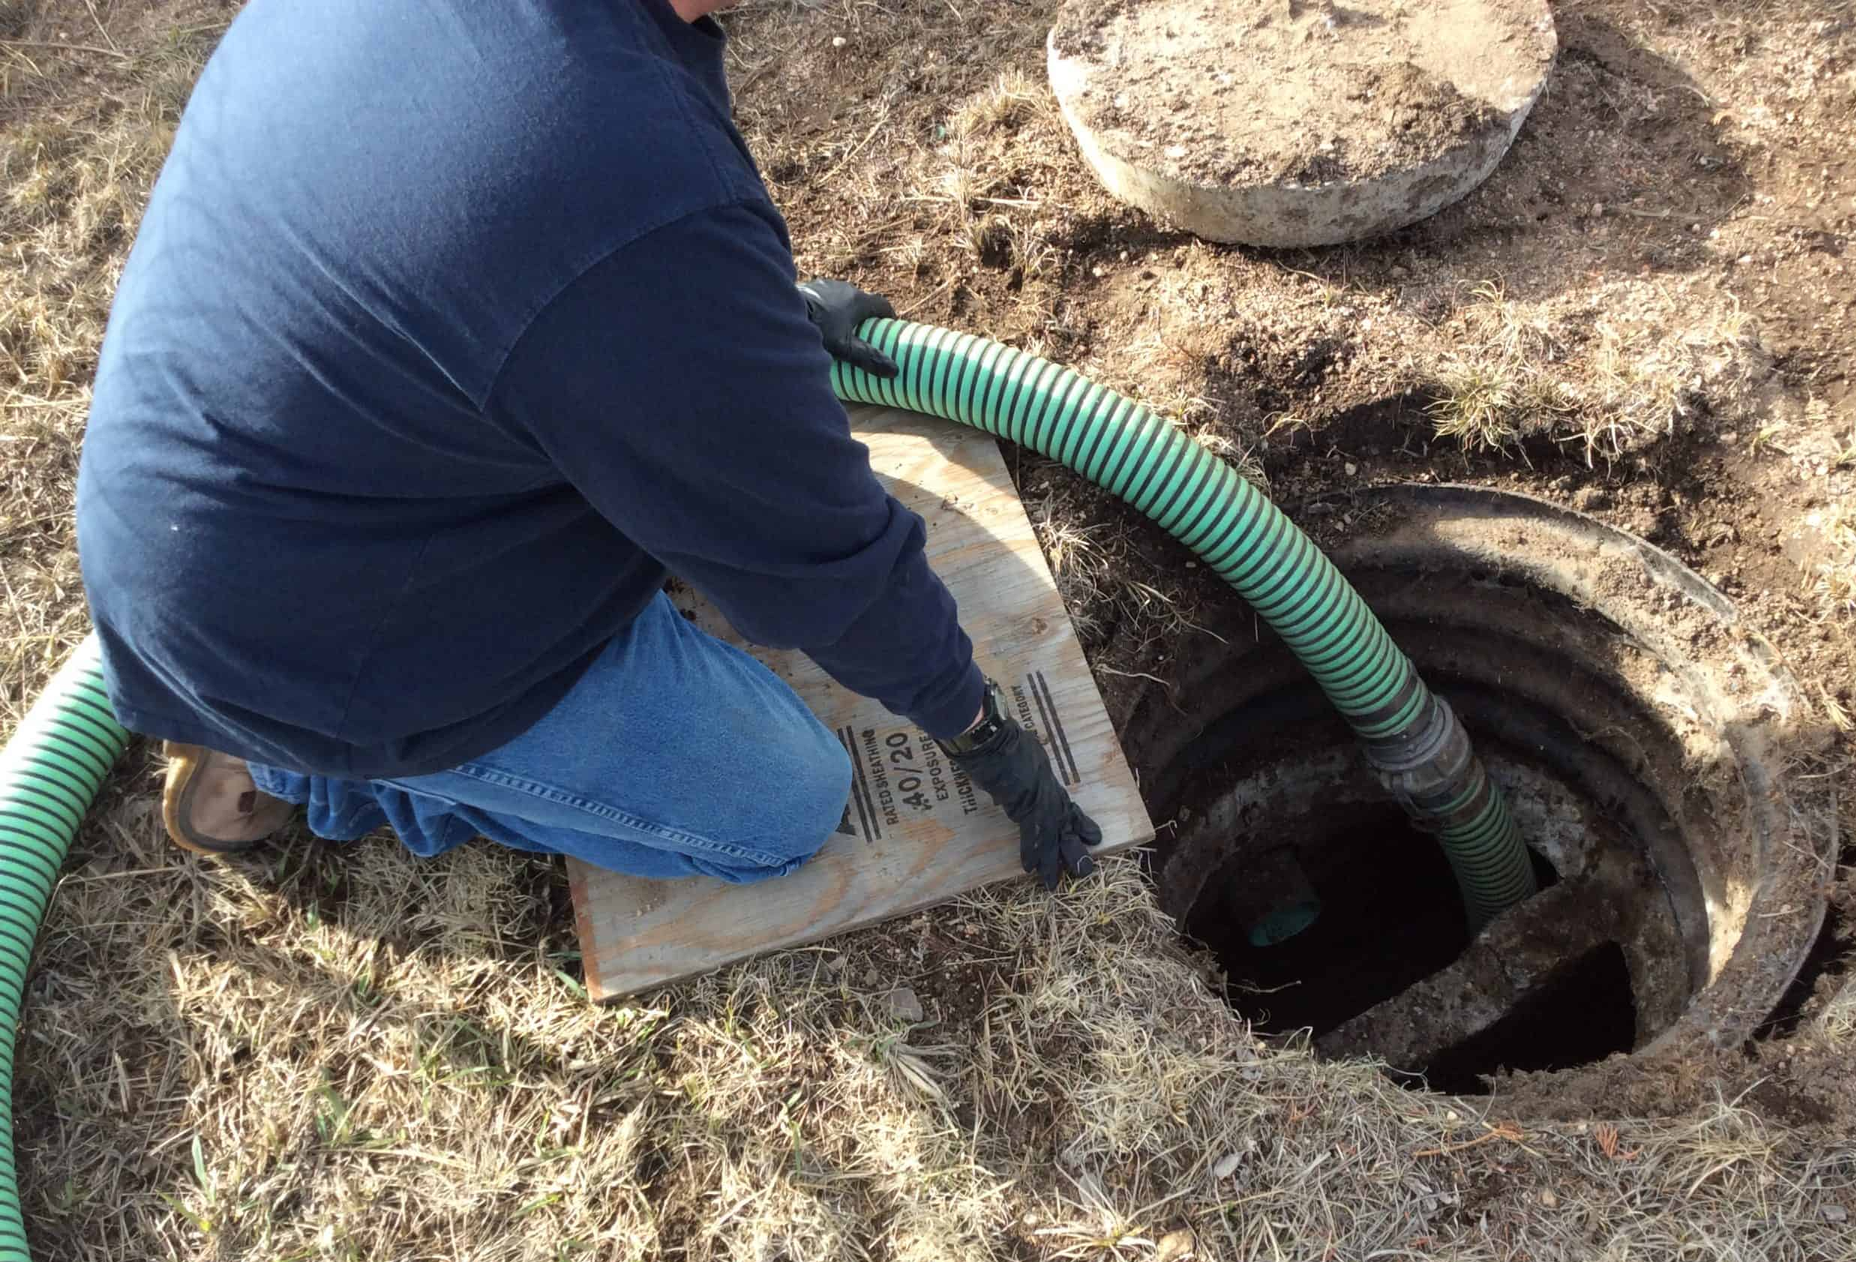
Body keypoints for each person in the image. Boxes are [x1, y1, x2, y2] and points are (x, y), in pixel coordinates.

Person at [74, 0, 1101, 889]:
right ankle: (292, 767)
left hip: (257, 480)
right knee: (784, 805)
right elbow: (830, 579)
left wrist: (743, 317)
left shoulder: (576, 95)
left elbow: (481, 255)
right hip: (305, 642)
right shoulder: (621, 177)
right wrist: (983, 736)